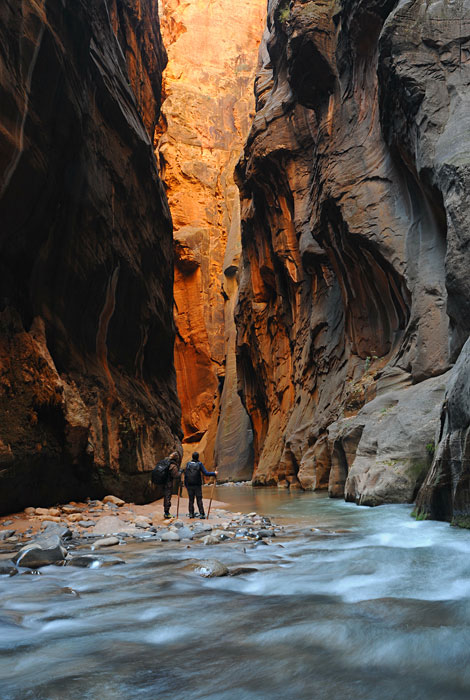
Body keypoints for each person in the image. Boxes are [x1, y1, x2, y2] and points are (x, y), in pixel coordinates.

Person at [184, 451, 217, 519]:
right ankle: (202, 514)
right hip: (197, 485)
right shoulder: (199, 464)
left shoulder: (188, 464)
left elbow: (186, 475)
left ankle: (191, 514)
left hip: (189, 485)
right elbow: (206, 473)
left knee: (191, 500)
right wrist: (214, 473)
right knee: (199, 499)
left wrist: (185, 485)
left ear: (192, 457)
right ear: (198, 457)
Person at [163, 451, 182, 519]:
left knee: (166, 497)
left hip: (163, 482)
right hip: (168, 483)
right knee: (168, 497)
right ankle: (167, 513)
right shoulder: (172, 466)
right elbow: (176, 475)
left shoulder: (166, 463)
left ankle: (166, 511)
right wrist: (180, 472)